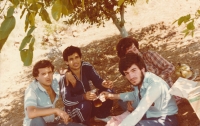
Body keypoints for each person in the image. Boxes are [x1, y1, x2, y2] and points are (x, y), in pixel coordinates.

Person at [102, 53, 179, 126]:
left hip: (165, 119)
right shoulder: (140, 80)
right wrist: (111, 95)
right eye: (127, 73)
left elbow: (139, 112)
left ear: (142, 69)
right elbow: (134, 94)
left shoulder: (155, 84)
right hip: (148, 114)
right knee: (122, 101)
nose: (131, 77)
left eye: (133, 70)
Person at [116, 37, 181, 109]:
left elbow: (170, 67)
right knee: (123, 101)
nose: (135, 52)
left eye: (135, 49)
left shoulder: (149, 56)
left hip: (166, 93)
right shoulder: (129, 68)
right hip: (150, 99)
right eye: (130, 52)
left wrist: (158, 79)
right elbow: (135, 87)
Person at [59, 46, 113, 126]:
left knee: (108, 91)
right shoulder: (64, 77)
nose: (75, 61)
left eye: (77, 57)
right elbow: (66, 101)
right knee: (86, 104)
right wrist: (83, 97)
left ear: (80, 58)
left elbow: (97, 80)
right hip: (77, 109)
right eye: (71, 59)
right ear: (66, 62)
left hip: (90, 101)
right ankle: (85, 124)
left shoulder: (86, 66)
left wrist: (104, 83)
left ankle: (100, 116)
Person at [23, 60, 84, 126]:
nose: (48, 76)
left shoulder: (54, 80)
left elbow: (61, 71)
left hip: (51, 123)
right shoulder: (31, 89)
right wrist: (56, 111)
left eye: (49, 72)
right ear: (37, 77)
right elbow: (31, 113)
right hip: (36, 124)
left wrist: (67, 72)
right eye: (43, 74)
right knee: (37, 120)